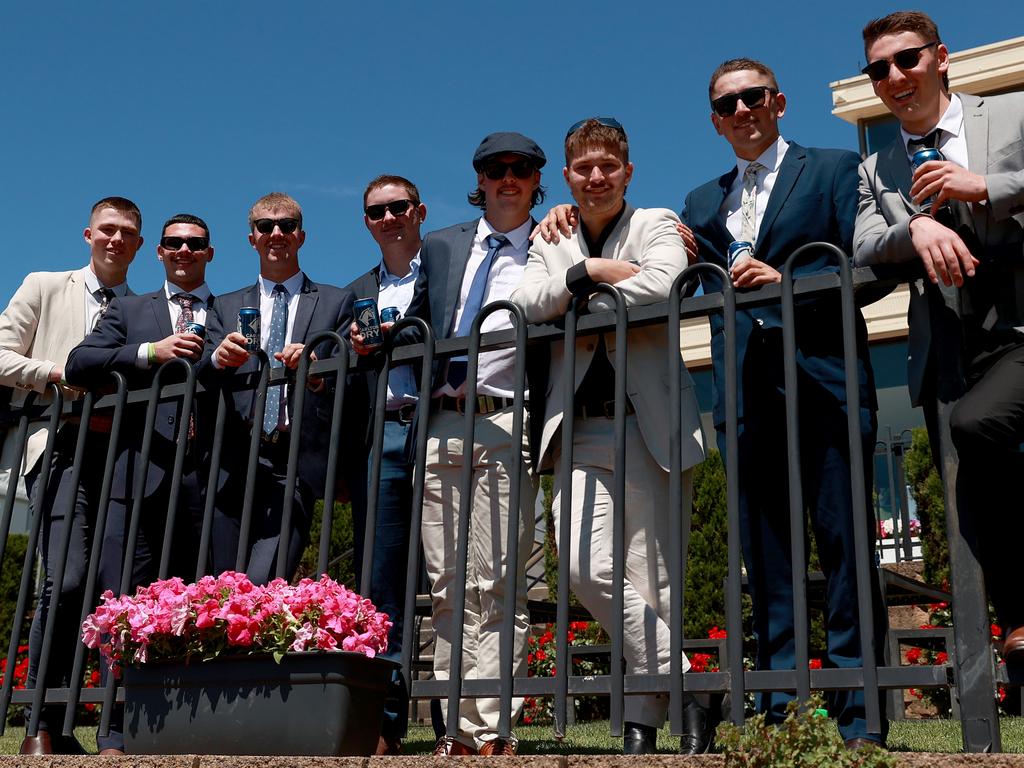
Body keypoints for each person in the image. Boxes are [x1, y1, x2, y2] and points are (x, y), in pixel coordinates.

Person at [682, 59, 887, 749]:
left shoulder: (832, 168)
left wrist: (789, 281)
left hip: (826, 382)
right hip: (745, 396)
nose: (742, 110)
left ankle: (859, 717)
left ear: (779, 102)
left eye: (753, 97)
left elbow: (867, 264)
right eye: (727, 103)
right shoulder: (701, 203)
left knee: (845, 548)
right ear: (715, 120)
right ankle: (780, 712)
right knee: (767, 561)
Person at [511, 118, 706, 754]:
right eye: (584, 167)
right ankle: (687, 684)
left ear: (627, 171)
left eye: (608, 166)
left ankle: (644, 726)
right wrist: (590, 270)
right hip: (580, 427)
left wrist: (583, 294)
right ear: (567, 176)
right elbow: (527, 302)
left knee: (651, 576)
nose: (596, 177)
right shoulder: (555, 234)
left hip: (647, 420)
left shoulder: (655, 223)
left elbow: (664, 283)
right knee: (581, 569)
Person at [353, 133, 546, 756]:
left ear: (537, 180)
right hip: (440, 422)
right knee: (447, 583)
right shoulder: (441, 246)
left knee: (498, 582)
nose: (508, 178)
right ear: (481, 181)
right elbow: (410, 318)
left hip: (506, 416)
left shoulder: (553, 241)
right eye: (496, 170)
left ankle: (494, 727)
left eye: (521, 169)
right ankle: (456, 729)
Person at [853, 11, 1024, 659]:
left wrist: (987, 186)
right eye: (879, 69)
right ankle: (1016, 631)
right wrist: (914, 229)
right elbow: (867, 247)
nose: (894, 76)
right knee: (972, 497)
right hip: (948, 347)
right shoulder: (875, 170)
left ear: (941, 57)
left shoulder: (1011, 115)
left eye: (907, 60)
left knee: (981, 427)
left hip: (1019, 327)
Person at [64, 212, 216, 755]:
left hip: (207, 484)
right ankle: (113, 731)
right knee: (123, 602)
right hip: (134, 478)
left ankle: (182, 728)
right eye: (173, 243)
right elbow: (80, 363)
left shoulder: (227, 314)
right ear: (158, 252)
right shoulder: (129, 309)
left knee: (197, 605)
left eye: (195, 244)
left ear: (210, 253)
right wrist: (150, 353)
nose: (184, 251)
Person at [0, 197, 142, 755]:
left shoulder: (141, 307)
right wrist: (57, 374)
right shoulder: (44, 285)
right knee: (67, 578)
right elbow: (1, 355)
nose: (115, 239)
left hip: (122, 456)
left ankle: (65, 725)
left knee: (110, 590)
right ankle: (38, 723)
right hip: (56, 448)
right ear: (88, 234)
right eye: (107, 229)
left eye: (127, 232)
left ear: (139, 244)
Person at [205, 192, 352, 585]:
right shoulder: (224, 305)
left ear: (301, 236)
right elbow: (202, 372)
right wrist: (219, 358)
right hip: (233, 460)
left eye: (286, 225)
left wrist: (318, 372)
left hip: (294, 459)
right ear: (251, 238)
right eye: (265, 227)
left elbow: (349, 382)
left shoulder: (337, 301)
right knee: (223, 586)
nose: (276, 234)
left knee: (263, 582)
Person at [342, 175, 427, 755]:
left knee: (459, 577)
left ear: (419, 211)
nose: (389, 217)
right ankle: (385, 721)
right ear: (367, 222)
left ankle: (462, 721)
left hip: (442, 423)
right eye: (377, 211)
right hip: (381, 434)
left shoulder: (448, 271)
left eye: (399, 207)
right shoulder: (354, 292)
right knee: (379, 583)